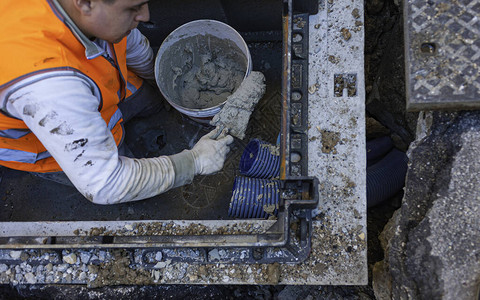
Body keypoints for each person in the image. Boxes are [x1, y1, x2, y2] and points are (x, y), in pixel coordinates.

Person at [0, 0, 234, 204]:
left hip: (101, 86)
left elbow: (130, 43)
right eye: (133, 8)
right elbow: (105, 185)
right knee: (124, 171)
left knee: (150, 100)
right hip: (40, 143)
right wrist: (192, 162)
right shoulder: (48, 87)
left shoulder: (99, 17)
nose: (145, 16)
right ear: (85, 3)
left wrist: (161, 84)